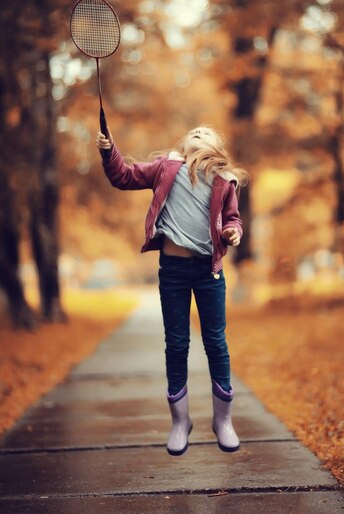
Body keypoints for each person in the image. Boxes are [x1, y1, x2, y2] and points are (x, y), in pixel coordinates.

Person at [96, 125, 248, 456]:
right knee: (176, 344)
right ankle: (180, 422)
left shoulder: (224, 179)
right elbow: (122, 176)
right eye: (195, 130)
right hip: (174, 272)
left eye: (206, 131)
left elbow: (233, 219)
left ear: (215, 147)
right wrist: (109, 151)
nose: (199, 130)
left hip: (209, 271)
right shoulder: (167, 167)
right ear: (186, 144)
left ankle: (223, 422)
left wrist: (233, 232)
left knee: (216, 343)